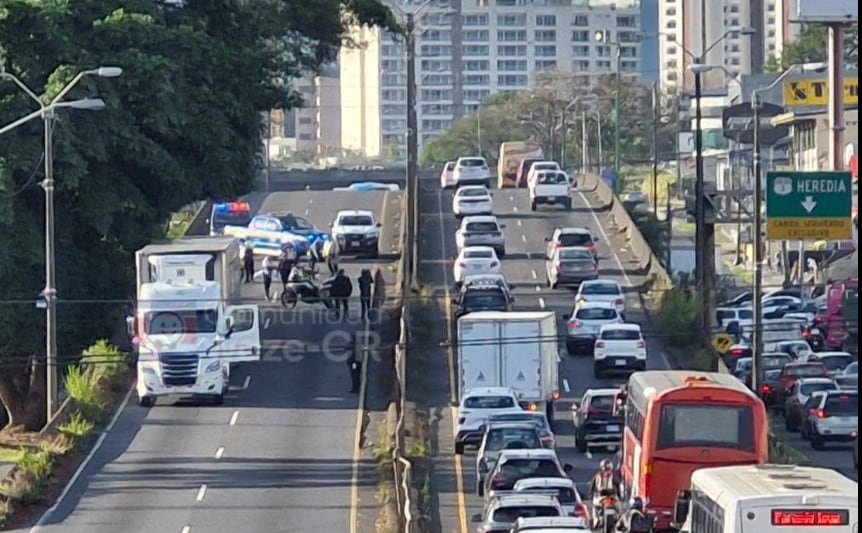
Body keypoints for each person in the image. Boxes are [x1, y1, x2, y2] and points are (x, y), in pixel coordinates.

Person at [590, 459, 621, 528]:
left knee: (594, 507)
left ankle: (596, 520)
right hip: (611, 496)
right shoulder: (614, 475)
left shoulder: (597, 474)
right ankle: (619, 521)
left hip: (601, 496)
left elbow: (592, 486)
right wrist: (619, 495)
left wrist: (591, 494)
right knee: (619, 507)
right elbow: (618, 485)